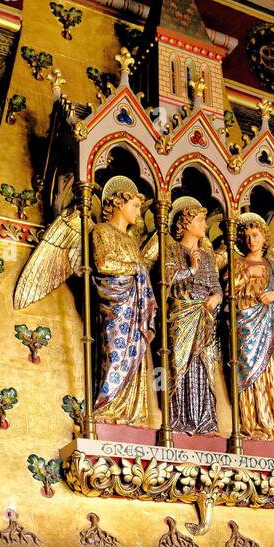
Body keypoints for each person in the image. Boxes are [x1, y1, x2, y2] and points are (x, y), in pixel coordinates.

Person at [92, 176, 158, 427]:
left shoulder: (132, 241)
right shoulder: (101, 231)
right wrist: (137, 268)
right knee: (115, 355)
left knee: (137, 353)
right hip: (116, 305)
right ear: (119, 204)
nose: (138, 213)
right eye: (135, 207)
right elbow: (103, 263)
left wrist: (138, 269)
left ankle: (131, 411)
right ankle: (108, 406)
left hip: (135, 304)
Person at [165, 197, 223, 436]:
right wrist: (191, 269)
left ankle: (204, 418)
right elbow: (165, 279)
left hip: (205, 315)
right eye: (200, 220)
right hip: (182, 312)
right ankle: (180, 418)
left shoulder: (208, 257)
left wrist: (216, 298)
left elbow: (216, 286)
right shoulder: (171, 249)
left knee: (203, 364)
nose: (204, 225)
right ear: (186, 223)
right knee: (181, 364)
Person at [231, 213, 274, 441]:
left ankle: (270, 423)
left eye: (255, 235)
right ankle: (250, 423)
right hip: (245, 321)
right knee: (246, 369)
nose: (250, 241)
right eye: (246, 236)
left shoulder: (272, 268)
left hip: (267, 324)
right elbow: (228, 290)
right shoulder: (237, 262)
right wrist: (246, 273)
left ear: (264, 238)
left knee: (267, 371)